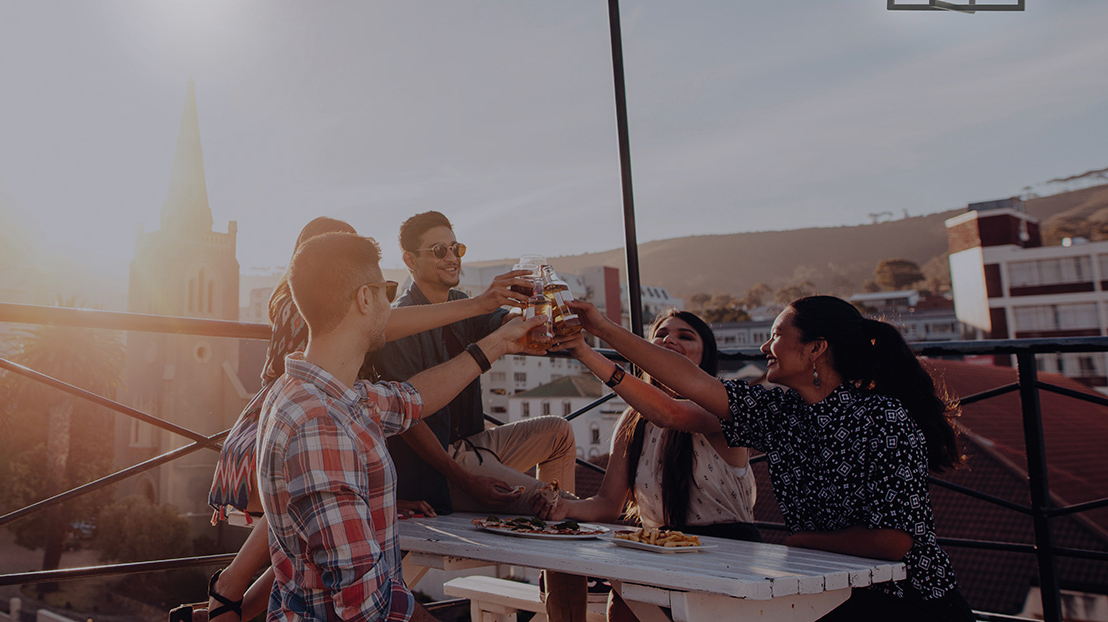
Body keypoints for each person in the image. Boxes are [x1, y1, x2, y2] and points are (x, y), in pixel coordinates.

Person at [189, 217, 533, 622]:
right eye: (387, 292)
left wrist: (495, 344)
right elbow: (366, 607)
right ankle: (227, 593)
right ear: (365, 300)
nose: (395, 302)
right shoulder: (322, 426)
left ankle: (226, 600)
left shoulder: (331, 396)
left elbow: (412, 398)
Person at [565, 295, 973, 622]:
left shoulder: (882, 416)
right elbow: (688, 381)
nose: (764, 347)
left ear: (816, 348)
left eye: (776, 335)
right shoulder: (781, 413)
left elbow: (893, 542)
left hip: (905, 600)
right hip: (824, 591)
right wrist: (599, 330)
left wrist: (800, 542)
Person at [366, 211, 585, 622]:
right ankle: (565, 537)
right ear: (410, 261)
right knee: (561, 511)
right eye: (438, 250)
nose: (452, 256)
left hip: (472, 447)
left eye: (456, 247)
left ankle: (557, 552)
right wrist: (465, 479)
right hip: (435, 467)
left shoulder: (462, 305)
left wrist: (542, 313)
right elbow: (408, 421)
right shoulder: (400, 322)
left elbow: (509, 326)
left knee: (559, 432)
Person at [534, 309, 757, 622]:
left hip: (725, 555)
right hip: (660, 550)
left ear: (705, 356)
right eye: (661, 335)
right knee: (621, 605)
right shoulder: (632, 420)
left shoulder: (720, 407)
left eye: (685, 336)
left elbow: (669, 413)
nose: (669, 340)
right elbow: (608, 505)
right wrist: (564, 509)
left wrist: (585, 350)